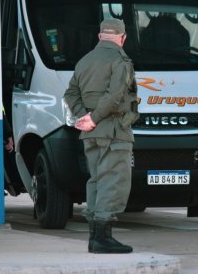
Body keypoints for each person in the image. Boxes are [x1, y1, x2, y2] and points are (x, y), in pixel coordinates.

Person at [64, 18, 139, 254]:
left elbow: (70, 92)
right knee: (113, 181)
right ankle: (103, 238)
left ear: (99, 37)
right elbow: (115, 95)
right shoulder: (120, 60)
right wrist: (95, 117)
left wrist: (83, 117)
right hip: (114, 130)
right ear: (122, 37)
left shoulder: (84, 61)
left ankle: (94, 237)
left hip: (91, 133)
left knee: (96, 180)